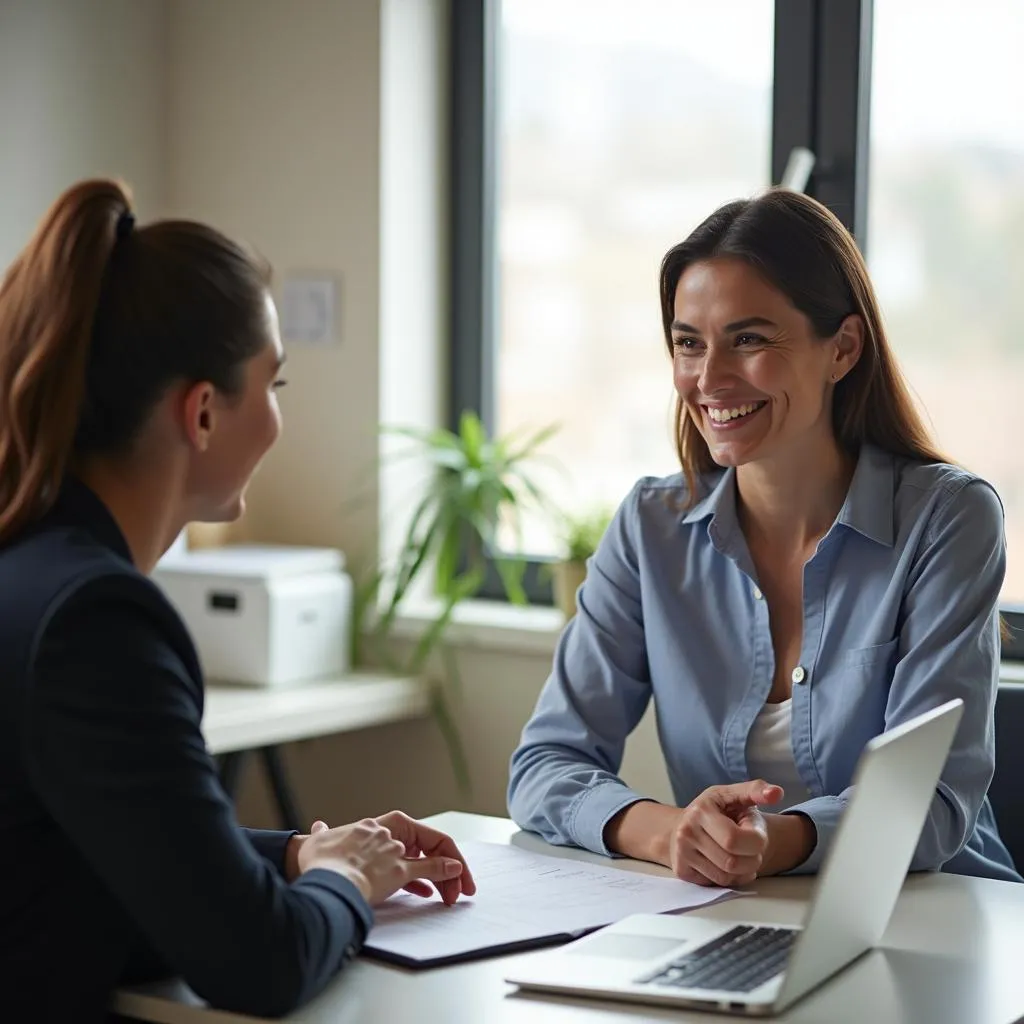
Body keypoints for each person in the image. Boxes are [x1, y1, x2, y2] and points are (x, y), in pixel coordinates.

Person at [0, 179, 477, 1023]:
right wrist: (350, 881)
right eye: (276, 386)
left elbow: (119, 837)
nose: (279, 418)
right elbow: (261, 963)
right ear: (205, 413)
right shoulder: (97, 619)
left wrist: (303, 852)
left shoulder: (33, 566)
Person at [508, 188, 1021, 889]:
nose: (709, 379)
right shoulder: (650, 528)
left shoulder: (948, 519)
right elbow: (544, 766)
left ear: (841, 349)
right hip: (733, 918)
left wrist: (769, 842)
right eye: (689, 343)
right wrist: (672, 834)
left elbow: (931, 804)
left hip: (932, 914)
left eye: (749, 340)